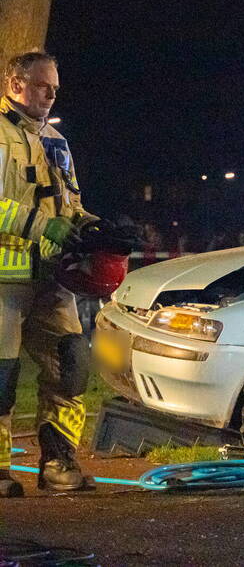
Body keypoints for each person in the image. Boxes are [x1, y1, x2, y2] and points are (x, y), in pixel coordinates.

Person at [0, 51, 100, 496]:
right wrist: (43, 225)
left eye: (55, 87)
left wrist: (97, 228)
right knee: (1, 375)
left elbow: (69, 204)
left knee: (73, 360)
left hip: (51, 277)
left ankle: (58, 462)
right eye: (44, 85)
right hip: (3, 278)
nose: (52, 93)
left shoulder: (56, 140)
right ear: (15, 84)